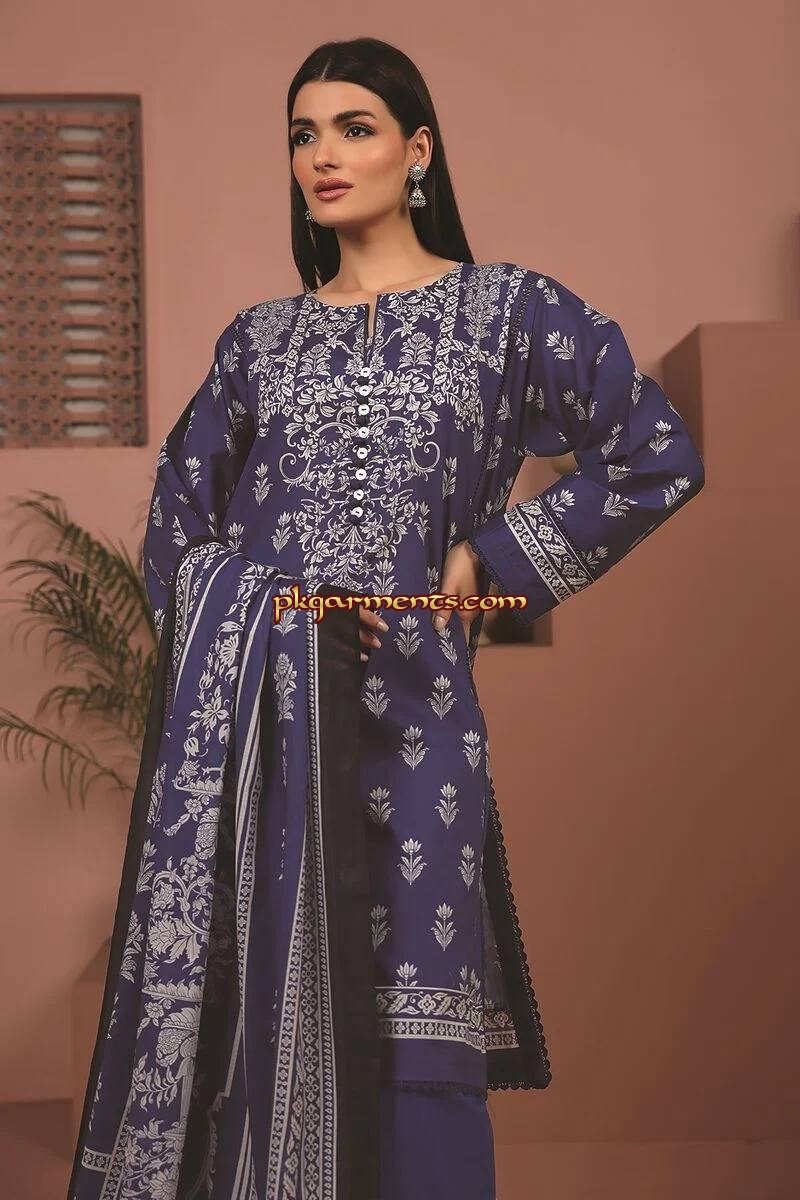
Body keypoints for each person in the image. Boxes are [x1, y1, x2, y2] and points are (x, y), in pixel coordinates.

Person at [72, 36, 706, 1200]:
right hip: (267, 752)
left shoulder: (507, 311)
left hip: (418, 738)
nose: (321, 154)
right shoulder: (257, 343)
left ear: (416, 151)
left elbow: (654, 455)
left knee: (418, 1043)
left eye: (352, 128)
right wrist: (279, 618)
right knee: (255, 1034)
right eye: (302, 134)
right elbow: (176, 536)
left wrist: (487, 558)